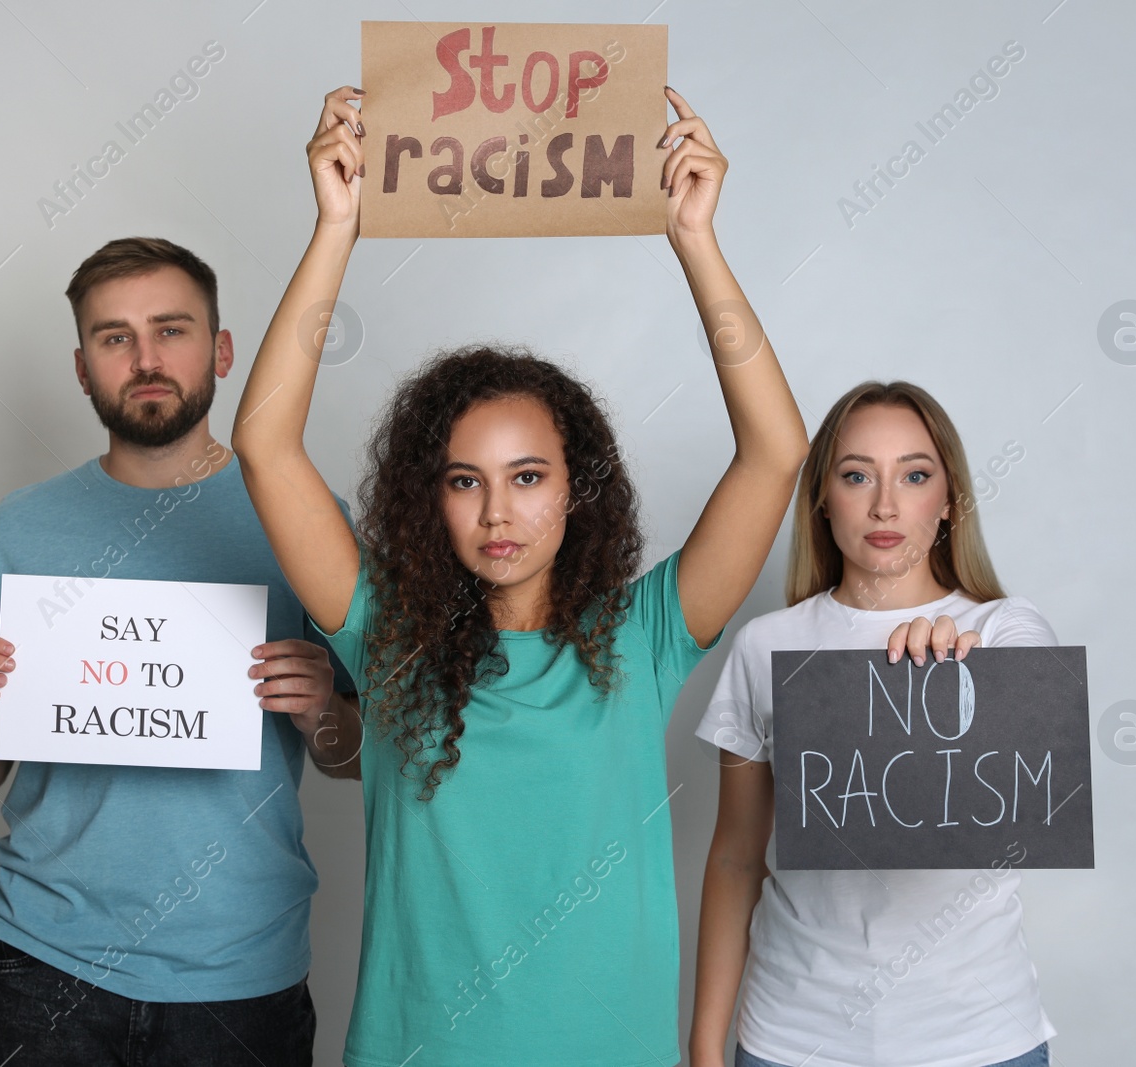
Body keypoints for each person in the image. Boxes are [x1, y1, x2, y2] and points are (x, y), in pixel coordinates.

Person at [231, 85, 807, 1066]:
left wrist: (694, 240)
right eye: (466, 481)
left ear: (576, 492)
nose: (499, 512)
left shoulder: (644, 635)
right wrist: (337, 227)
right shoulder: (386, 632)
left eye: (528, 477)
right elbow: (263, 442)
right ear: (431, 499)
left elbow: (775, 454)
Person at [0, 236, 361, 1067]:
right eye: (115, 337)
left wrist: (320, 710)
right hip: (43, 960)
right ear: (84, 367)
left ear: (222, 350)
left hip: (241, 965)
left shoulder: (308, 520)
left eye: (173, 329)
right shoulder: (18, 529)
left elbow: (361, 756)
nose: (146, 357)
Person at [688, 380, 1056, 1067]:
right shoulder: (765, 647)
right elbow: (736, 855)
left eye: (914, 475)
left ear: (948, 502)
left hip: (979, 1041)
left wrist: (968, 676)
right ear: (823, 498)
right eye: (857, 475)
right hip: (791, 1038)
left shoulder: (1004, 627)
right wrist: (706, 1045)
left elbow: (1035, 749)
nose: (885, 504)